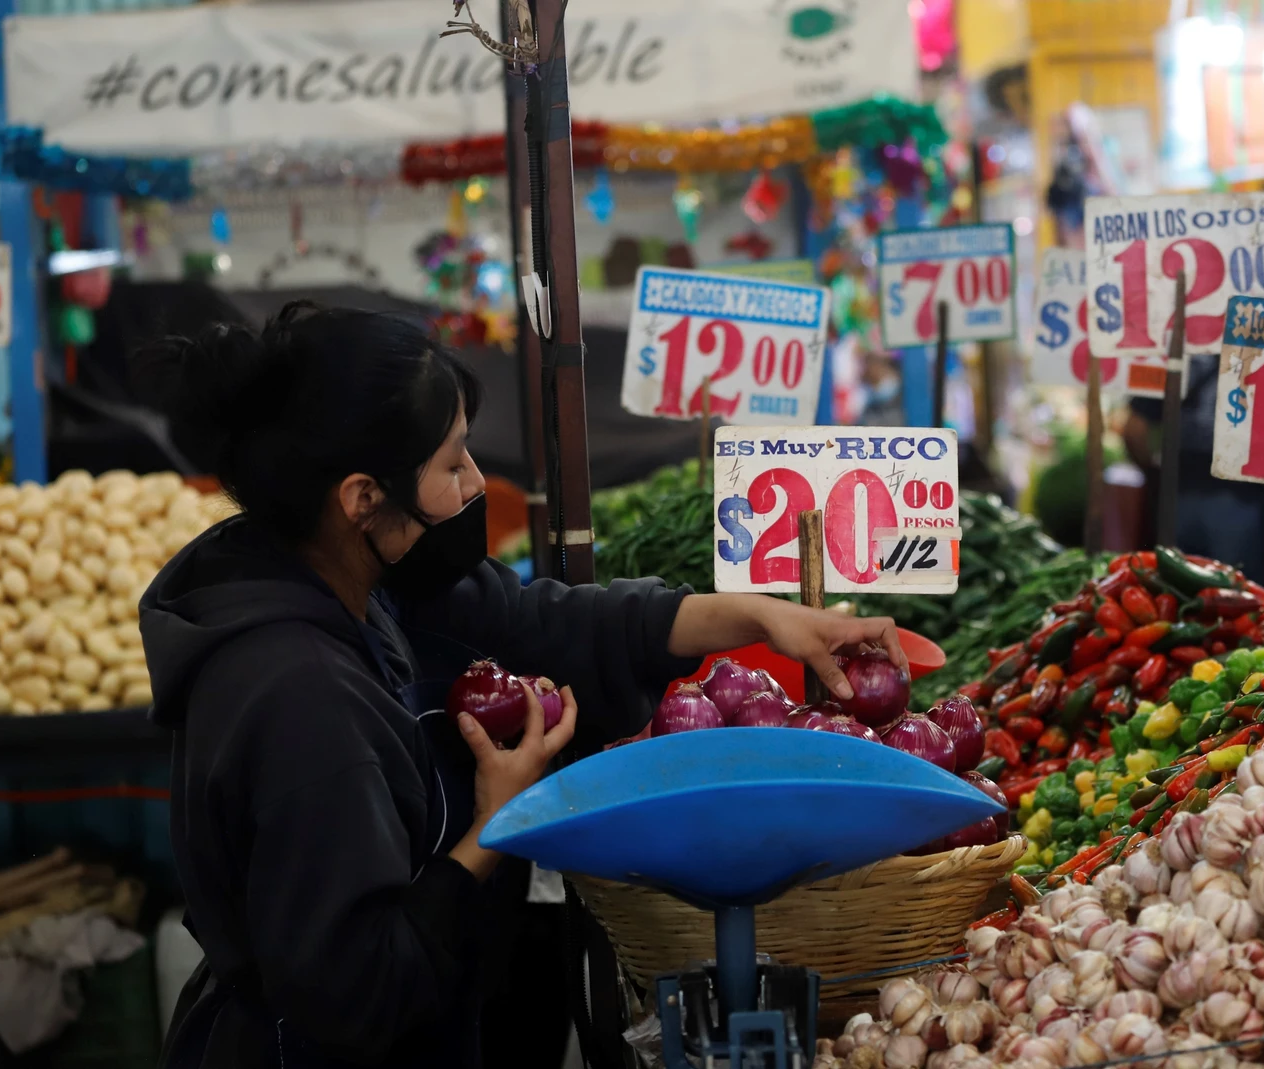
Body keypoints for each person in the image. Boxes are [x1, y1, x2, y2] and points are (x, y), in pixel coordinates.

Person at [136, 303, 905, 1069]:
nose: (476, 482)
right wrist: (493, 822)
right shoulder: (298, 699)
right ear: (362, 496)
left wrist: (766, 618)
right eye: (452, 462)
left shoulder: (362, 575)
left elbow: (550, 623)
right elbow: (356, 987)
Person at [1123, 352, 1264, 592]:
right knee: (1239, 600)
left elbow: (1134, 429)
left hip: (1178, 497)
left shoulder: (1174, 350)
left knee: (1177, 596)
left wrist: (1154, 473)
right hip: (1239, 501)